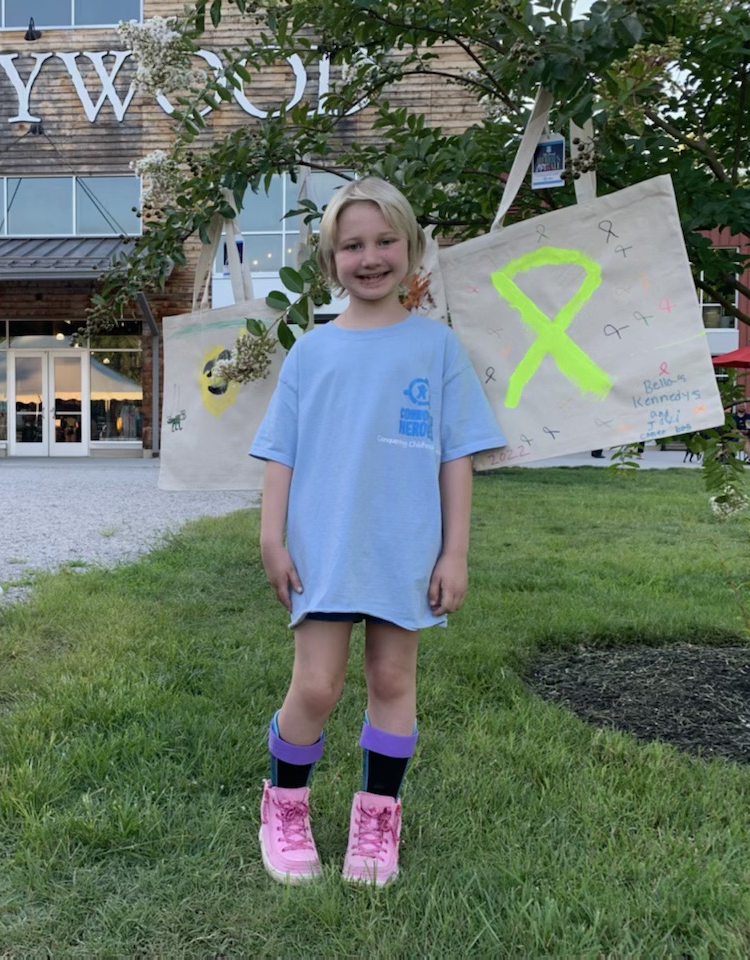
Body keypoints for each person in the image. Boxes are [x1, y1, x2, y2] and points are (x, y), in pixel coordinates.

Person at [249, 177, 505, 886]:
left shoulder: (438, 349)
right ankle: (285, 805)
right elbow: (281, 453)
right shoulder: (311, 352)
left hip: (406, 547)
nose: (370, 257)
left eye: (384, 240)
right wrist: (273, 537)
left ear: (413, 248)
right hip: (323, 547)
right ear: (330, 260)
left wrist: (455, 552)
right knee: (318, 687)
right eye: (352, 245)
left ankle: (377, 819)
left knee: (393, 679)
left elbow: (457, 458)